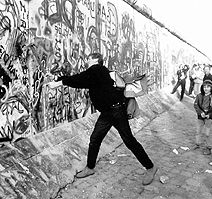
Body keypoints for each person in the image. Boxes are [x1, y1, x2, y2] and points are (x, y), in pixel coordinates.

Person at [48, 53, 157, 185]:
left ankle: (150, 167)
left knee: (128, 140)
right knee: (95, 139)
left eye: (88, 58)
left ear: (95, 60)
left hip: (116, 111)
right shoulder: (95, 74)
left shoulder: (97, 69)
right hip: (107, 113)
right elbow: (81, 79)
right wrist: (59, 80)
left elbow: (80, 78)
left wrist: (60, 83)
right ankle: (90, 168)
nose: (87, 60)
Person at [193, 79, 212, 155]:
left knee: (207, 133)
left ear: (211, 88)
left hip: (208, 117)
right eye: (204, 86)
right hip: (200, 117)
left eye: (208, 87)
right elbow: (196, 105)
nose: (206, 88)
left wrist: (210, 115)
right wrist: (200, 112)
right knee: (198, 131)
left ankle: (209, 147)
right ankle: (197, 144)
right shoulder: (199, 96)